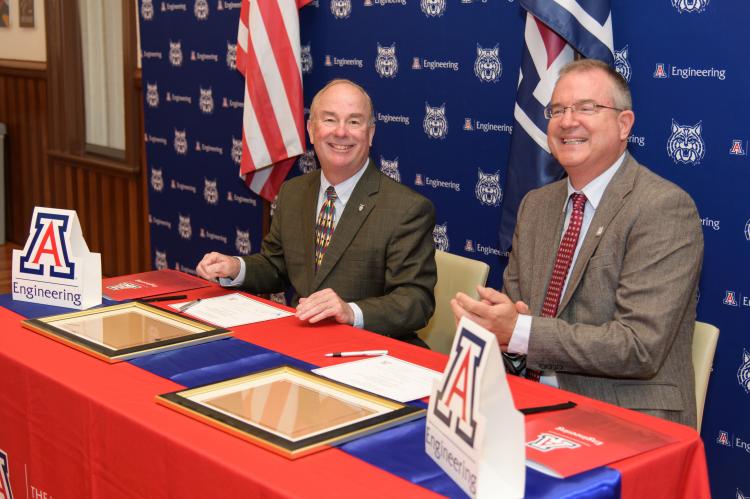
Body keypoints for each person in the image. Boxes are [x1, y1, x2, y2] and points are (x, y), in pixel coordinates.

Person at [451, 59, 704, 427]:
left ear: (624, 124)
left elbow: (638, 347)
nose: (568, 121)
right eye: (557, 110)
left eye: (586, 108)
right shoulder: (536, 205)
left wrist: (519, 332)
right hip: (531, 403)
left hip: (627, 418)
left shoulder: (662, 208)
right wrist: (497, 329)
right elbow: (519, 320)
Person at [197, 79, 436, 346]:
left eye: (355, 122)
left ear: (370, 135)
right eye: (330, 120)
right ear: (312, 130)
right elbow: (276, 266)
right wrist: (235, 268)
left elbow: (416, 301)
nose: (341, 132)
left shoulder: (407, 209)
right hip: (301, 344)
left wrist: (351, 312)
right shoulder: (293, 192)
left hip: (371, 352)